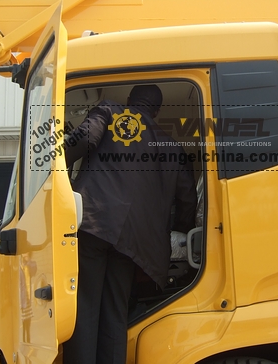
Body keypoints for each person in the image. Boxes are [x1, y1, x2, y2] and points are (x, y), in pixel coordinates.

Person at [63, 84, 197, 364]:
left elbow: (82, 140)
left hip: (95, 224)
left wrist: (57, 165)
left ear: (129, 100)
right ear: (156, 111)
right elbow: (187, 197)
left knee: (85, 306)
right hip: (135, 241)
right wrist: (183, 231)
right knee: (115, 310)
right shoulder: (171, 146)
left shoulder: (110, 111)